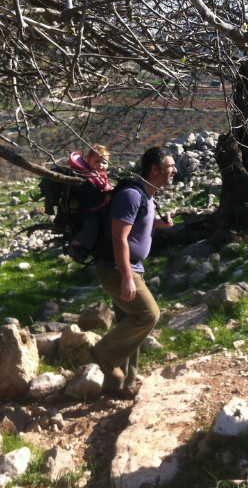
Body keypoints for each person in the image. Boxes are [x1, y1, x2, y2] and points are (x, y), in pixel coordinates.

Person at [90, 146, 175, 399]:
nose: (175, 170)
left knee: (131, 322)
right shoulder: (131, 195)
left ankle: (119, 387)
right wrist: (127, 277)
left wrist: (160, 224)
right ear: (155, 169)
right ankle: (102, 354)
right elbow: (119, 238)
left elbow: (136, 228)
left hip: (130, 267)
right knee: (149, 315)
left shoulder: (148, 194)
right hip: (116, 268)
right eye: (171, 166)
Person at [66, 145, 115, 261]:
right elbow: (91, 193)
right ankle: (74, 245)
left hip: (99, 209)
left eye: (104, 163)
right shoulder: (87, 176)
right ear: (88, 161)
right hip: (88, 211)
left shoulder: (101, 176)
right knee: (91, 229)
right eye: (97, 161)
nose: (101, 165)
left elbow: (105, 187)